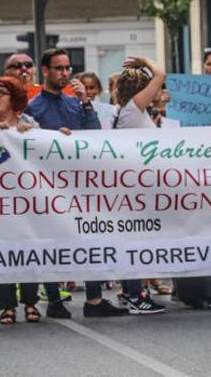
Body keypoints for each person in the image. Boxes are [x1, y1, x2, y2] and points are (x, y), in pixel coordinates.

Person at [25, 48, 127, 318]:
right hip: (47, 186)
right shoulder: (33, 107)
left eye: (67, 68)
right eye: (59, 68)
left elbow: (94, 135)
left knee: (88, 237)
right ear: (45, 71)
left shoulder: (74, 102)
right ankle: (55, 300)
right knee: (50, 240)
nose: (65, 73)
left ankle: (94, 299)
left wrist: (85, 102)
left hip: (80, 184)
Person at [0, 76, 53, 324]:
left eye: (2, 92)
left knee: (27, 248)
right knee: (3, 250)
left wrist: (31, 135)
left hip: (25, 200)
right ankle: (7, 305)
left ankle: (30, 302)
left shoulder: (30, 124)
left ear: (15, 99)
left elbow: (48, 153)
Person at [110, 56, 172, 315]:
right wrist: (145, 61)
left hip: (134, 185)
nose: (157, 91)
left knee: (132, 239)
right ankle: (135, 294)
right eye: (150, 88)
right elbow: (160, 74)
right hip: (135, 188)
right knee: (135, 240)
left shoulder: (127, 112)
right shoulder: (134, 109)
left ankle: (130, 292)